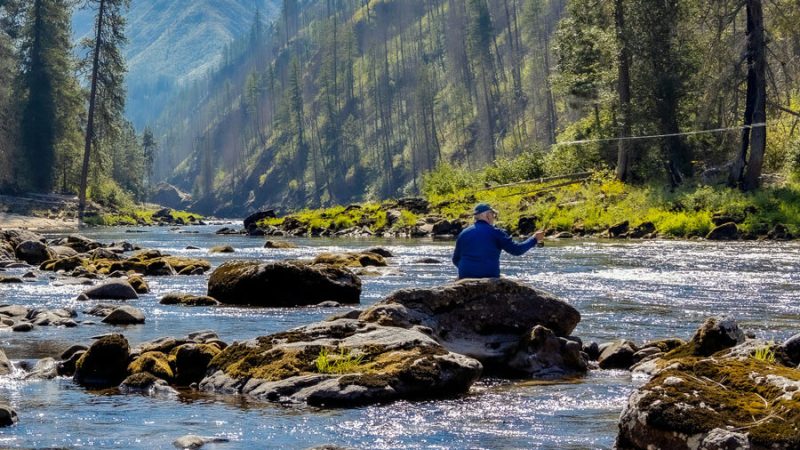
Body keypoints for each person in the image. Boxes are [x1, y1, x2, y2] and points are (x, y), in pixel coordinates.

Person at [452, 203, 544, 279]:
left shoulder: (463, 233)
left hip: (465, 275)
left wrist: (470, 269)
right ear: (487, 215)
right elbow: (517, 250)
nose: (494, 217)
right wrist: (534, 239)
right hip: (489, 275)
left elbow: (455, 259)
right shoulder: (496, 232)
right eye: (493, 214)